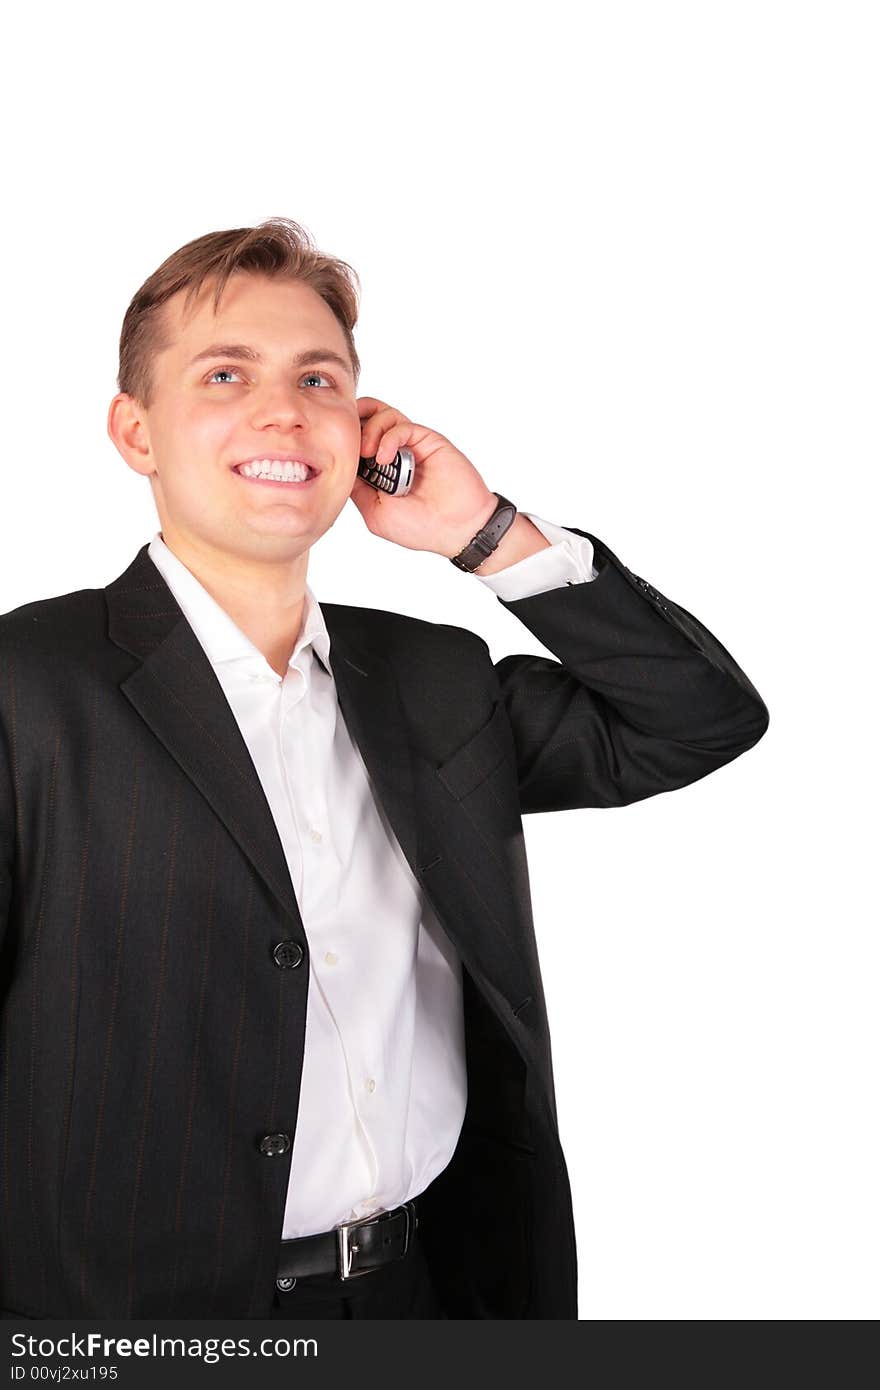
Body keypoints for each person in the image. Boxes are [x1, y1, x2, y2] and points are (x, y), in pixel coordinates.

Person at [0, 218, 769, 1320]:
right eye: (226, 373)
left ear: (357, 426)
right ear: (136, 430)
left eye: (320, 379)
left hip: (434, 1287)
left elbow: (695, 718)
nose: (283, 409)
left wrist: (480, 530)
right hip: (138, 1317)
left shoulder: (432, 678)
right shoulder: (28, 684)